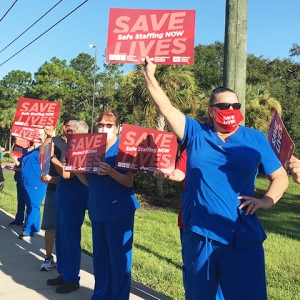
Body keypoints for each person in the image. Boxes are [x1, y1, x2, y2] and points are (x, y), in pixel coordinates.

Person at [142, 57, 289, 300]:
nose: (231, 111)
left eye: (235, 106)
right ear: (212, 111)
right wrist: (150, 75)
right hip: (201, 235)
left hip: (242, 235)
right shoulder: (196, 133)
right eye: (224, 107)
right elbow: (166, 108)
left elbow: (280, 176)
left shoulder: (255, 139)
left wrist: (267, 200)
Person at [75, 110, 140, 300]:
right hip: (98, 210)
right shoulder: (93, 148)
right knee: (101, 260)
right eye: (101, 124)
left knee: (119, 260)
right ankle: (101, 295)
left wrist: (111, 171)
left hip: (118, 211)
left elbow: (128, 181)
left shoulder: (124, 148)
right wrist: (76, 169)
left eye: (109, 125)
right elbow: (90, 182)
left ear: (117, 127)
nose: (104, 128)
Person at [153, 149, 224, 300]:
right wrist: (166, 173)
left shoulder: (232, 149)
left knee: (219, 271)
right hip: (190, 222)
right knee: (192, 271)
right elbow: (180, 173)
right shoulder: (193, 147)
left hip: (219, 223)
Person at [46, 120, 89, 294]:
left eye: (70, 131)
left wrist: (53, 158)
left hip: (74, 201)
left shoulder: (84, 150)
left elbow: (67, 172)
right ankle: (64, 273)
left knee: (70, 241)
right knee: (61, 240)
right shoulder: (72, 148)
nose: (66, 133)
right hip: (63, 199)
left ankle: (72, 278)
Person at [39, 116, 78, 271]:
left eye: (74, 127)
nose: (71, 130)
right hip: (54, 190)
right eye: (69, 127)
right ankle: (49, 258)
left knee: (67, 230)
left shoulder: (80, 144)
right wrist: (48, 137)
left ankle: (66, 264)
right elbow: (42, 155)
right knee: (50, 226)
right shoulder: (54, 140)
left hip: (70, 191)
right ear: (64, 127)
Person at [19, 131, 48, 240]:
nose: (35, 134)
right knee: (30, 206)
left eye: (38, 133)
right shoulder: (28, 150)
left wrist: (47, 138)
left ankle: (28, 231)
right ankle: (35, 227)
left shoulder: (43, 149)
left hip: (36, 182)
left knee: (33, 206)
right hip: (26, 181)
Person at [8, 154, 26, 226]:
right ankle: (19, 219)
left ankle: (28, 223)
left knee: (29, 203)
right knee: (20, 201)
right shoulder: (22, 151)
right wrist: (16, 166)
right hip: (19, 179)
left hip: (28, 181)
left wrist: (17, 162)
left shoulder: (35, 151)